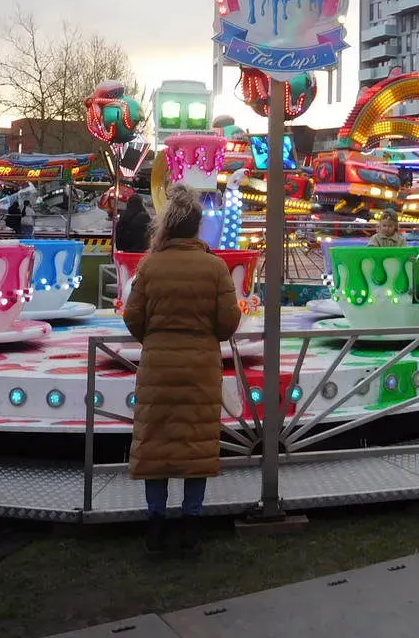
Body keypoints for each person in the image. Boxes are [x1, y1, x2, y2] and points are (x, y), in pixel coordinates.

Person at [122, 183, 242, 557]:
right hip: (201, 366)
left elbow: (133, 317)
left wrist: (154, 337)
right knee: (196, 445)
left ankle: (155, 525)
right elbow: (228, 323)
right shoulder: (215, 267)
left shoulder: (149, 264)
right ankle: (191, 525)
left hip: (158, 364)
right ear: (197, 226)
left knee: (156, 445)